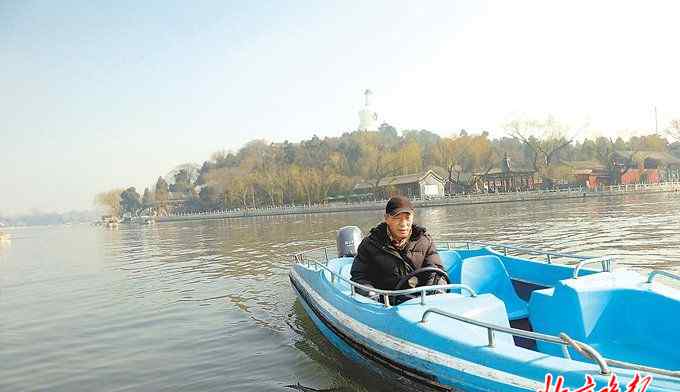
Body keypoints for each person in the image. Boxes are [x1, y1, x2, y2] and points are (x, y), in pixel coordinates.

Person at [350, 195, 445, 303]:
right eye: (397, 218)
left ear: (413, 217)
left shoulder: (425, 241)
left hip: (419, 302)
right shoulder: (370, 244)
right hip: (385, 304)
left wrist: (433, 294)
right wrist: (372, 297)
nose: (403, 224)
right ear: (386, 218)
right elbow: (359, 277)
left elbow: (436, 272)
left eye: (407, 218)